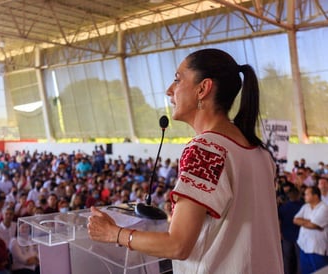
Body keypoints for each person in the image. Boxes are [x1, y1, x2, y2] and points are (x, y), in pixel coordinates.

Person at [87, 48, 283, 273]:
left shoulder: (206, 149)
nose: (169, 90)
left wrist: (114, 233)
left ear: (203, 88)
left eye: (177, 80)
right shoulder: (259, 152)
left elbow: (178, 245)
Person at [293, 186, 328, 274]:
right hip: (304, 246)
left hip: (317, 248)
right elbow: (295, 220)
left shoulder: (324, 208)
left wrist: (308, 223)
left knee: (320, 271)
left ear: (315, 196)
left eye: (307, 194)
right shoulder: (306, 207)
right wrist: (310, 222)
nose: (304, 196)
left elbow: (314, 225)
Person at [278, 186, 303, 274]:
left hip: (286, 235)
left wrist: (280, 233)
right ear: (298, 195)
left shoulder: (283, 207)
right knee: (299, 258)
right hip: (300, 236)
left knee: (287, 258)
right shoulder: (303, 206)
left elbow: (279, 221)